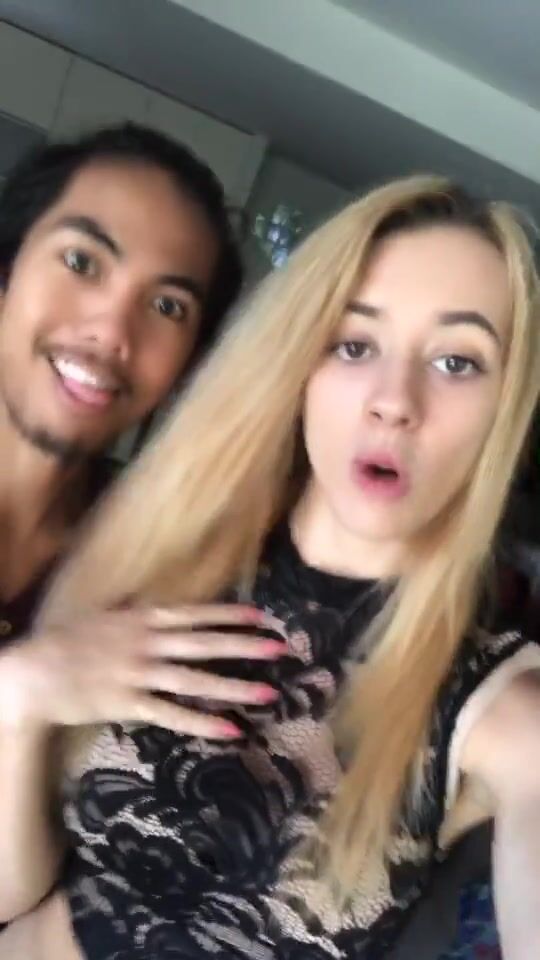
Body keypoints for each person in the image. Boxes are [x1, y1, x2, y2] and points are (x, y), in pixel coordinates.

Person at [1, 175, 540, 960]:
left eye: (458, 362)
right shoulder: (156, 552)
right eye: (354, 345)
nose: (394, 400)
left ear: (508, 408)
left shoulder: (504, 713)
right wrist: (17, 700)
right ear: (301, 366)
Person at [0, 118, 244, 644]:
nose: (113, 333)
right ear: (6, 271)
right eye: (81, 262)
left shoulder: (155, 574)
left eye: (167, 306)